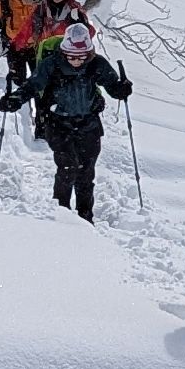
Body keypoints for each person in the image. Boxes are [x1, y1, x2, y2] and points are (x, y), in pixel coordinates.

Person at [29, 21, 132, 221]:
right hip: (59, 124)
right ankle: (62, 214)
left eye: (81, 57)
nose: (76, 61)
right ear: (64, 51)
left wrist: (122, 89)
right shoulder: (51, 64)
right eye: (72, 57)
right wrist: (15, 98)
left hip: (89, 124)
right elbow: (34, 84)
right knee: (68, 168)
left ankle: (85, 217)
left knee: (86, 174)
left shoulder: (97, 64)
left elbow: (112, 87)